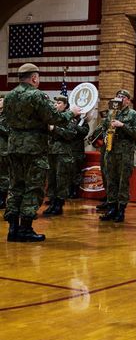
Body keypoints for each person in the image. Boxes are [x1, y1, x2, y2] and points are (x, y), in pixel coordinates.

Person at [3, 63, 80, 242]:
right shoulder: (37, 95)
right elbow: (55, 117)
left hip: (14, 147)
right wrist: (71, 113)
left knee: (15, 187)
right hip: (34, 148)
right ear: (34, 78)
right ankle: (25, 229)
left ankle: (13, 229)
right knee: (34, 187)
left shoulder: (9, 96)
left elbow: (6, 121)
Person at [99, 90, 136, 222]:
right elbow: (104, 128)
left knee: (123, 182)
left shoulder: (133, 114)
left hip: (125, 153)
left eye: (123, 97)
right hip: (111, 151)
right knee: (110, 180)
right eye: (118, 96)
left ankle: (121, 210)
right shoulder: (111, 113)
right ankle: (111, 208)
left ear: (128, 100)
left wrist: (122, 125)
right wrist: (105, 136)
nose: (119, 98)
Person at [43, 96, 78, 216]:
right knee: (51, 179)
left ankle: (59, 204)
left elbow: (70, 134)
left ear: (65, 105)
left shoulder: (70, 119)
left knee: (61, 179)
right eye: (55, 103)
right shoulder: (51, 118)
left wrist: (55, 129)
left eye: (58, 103)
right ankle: (52, 202)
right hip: (50, 152)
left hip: (63, 153)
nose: (55, 105)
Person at [68, 113, 90, 199]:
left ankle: (75, 191)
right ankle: (67, 191)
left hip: (77, 151)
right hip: (67, 150)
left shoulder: (83, 121)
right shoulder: (67, 119)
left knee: (76, 171)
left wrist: (75, 126)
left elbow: (85, 132)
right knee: (67, 172)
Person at [0, 96, 8, 209]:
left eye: (0, 100)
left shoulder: (9, 116)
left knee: (4, 176)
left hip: (3, 150)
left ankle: (2, 199)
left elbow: (9, 131)